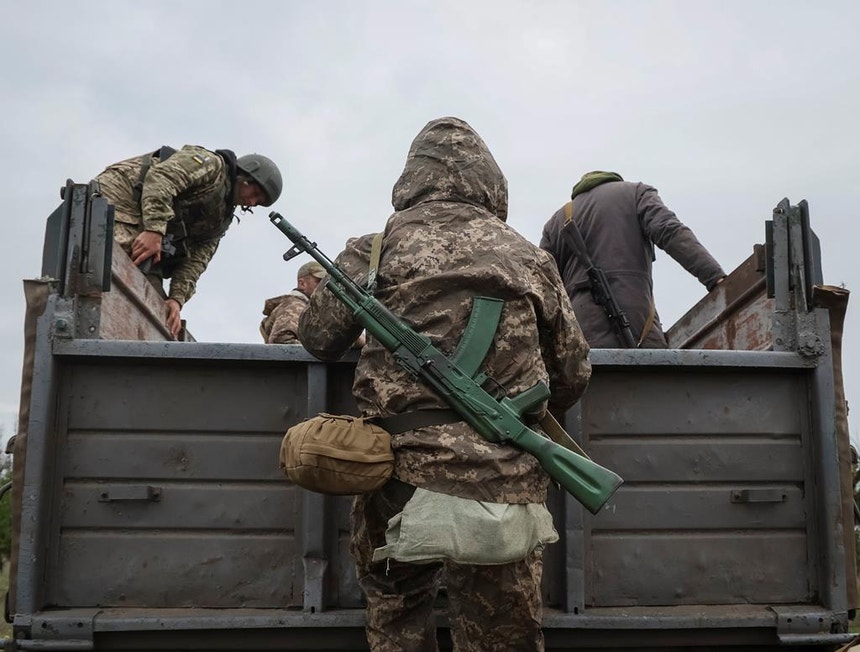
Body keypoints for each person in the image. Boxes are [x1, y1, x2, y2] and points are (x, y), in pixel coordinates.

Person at [298, 117, 591, 651]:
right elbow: (572, 375)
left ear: (412, 178)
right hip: (503, 482)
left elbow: (317, 339)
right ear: (489, 182)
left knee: (397, 624)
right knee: (503, 639)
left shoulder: (374, 249)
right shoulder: (530, 257)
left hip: (397, 479)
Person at [96, 145, 283, 338]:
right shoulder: (211, 165)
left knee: (157, 305)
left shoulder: (220, 220)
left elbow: (196, 261)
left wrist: (176, 299)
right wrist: (154, 229)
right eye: (255, 194)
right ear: (246, 177)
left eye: (258, 202)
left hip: (146, 226)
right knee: (124, 260)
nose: (252, 202)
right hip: (118, 199)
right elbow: (161, 178)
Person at [540, 171, 727, 348]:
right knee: (651, 377)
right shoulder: (636, 193)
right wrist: (714, 276)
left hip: (580, 335)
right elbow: (670, 232)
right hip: (639, 326)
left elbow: (542, 285)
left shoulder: (555, 222)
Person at [260, 261, 326, 344]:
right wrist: (315, 354)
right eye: (319, 281)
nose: (324, 286)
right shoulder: (294, 305)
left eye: (325, 282)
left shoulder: (306, 307)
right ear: (302, 283)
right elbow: (280, 340)